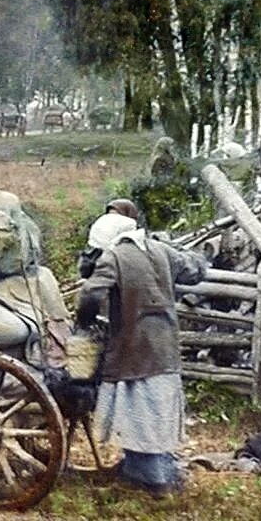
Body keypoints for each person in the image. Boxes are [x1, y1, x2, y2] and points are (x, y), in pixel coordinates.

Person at [75, 212, 208, 495]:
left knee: (136, 412)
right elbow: (197, 270)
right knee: (158, 413)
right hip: (165, 346)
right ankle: (153, 469)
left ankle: (151, 478)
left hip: (134, 346)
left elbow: (90, 295)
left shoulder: (114, 257)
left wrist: (84, 321)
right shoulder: (161, 251)